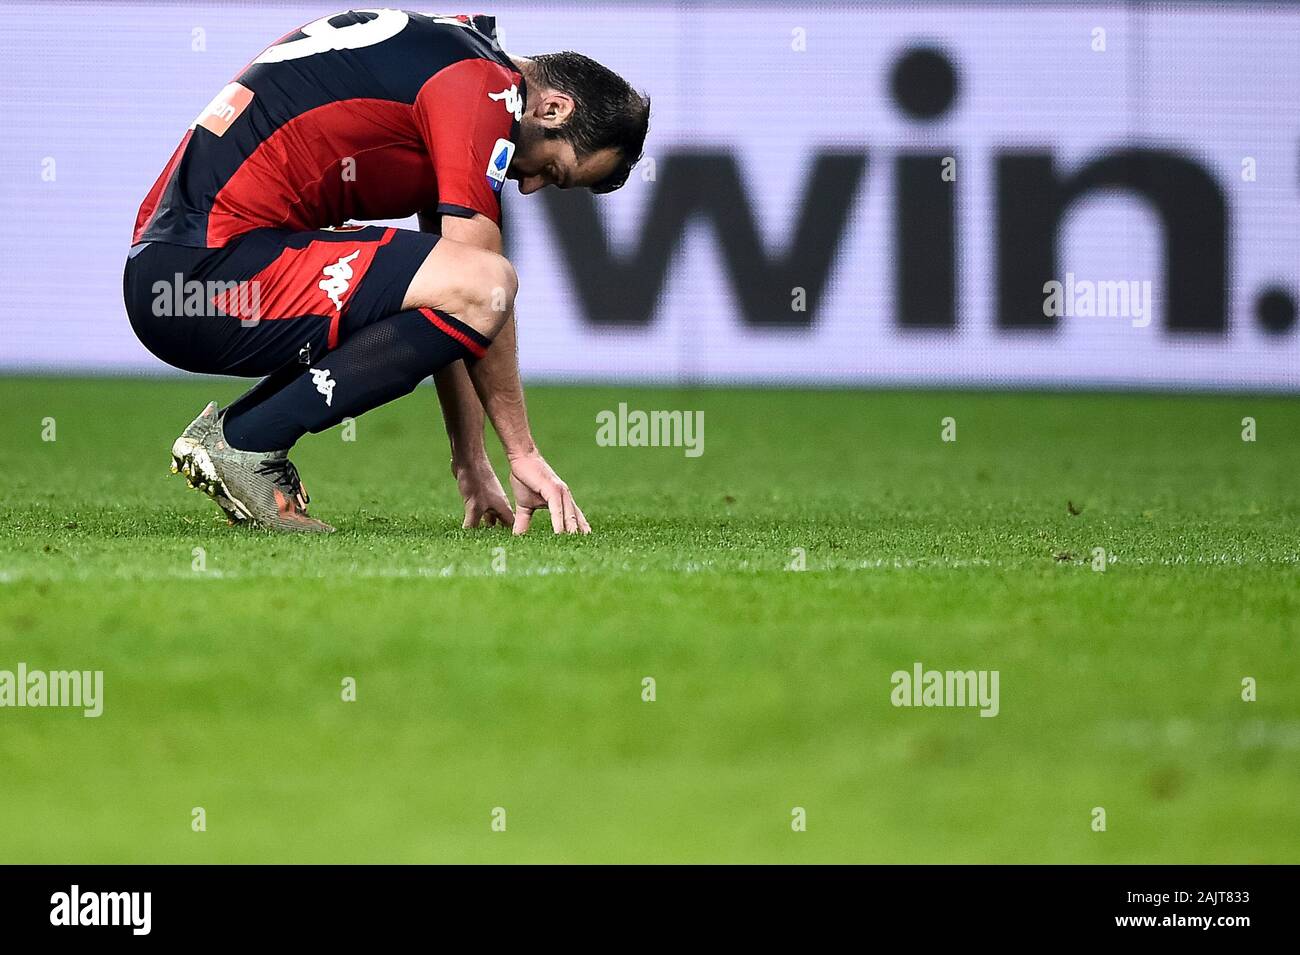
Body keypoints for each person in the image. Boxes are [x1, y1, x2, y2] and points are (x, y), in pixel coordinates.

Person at [122, 10, 649, 533]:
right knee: (491, 282)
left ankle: (245, 438)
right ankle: (248, 441)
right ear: (554, 108)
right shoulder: (483, 88)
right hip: (206, 277)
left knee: (466, 280)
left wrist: (471, 459)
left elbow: (446, 294)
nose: (531, 187)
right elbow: (483, 290)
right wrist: (523, 452)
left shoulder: (459, 56)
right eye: (554, 171)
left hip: (175, 271)